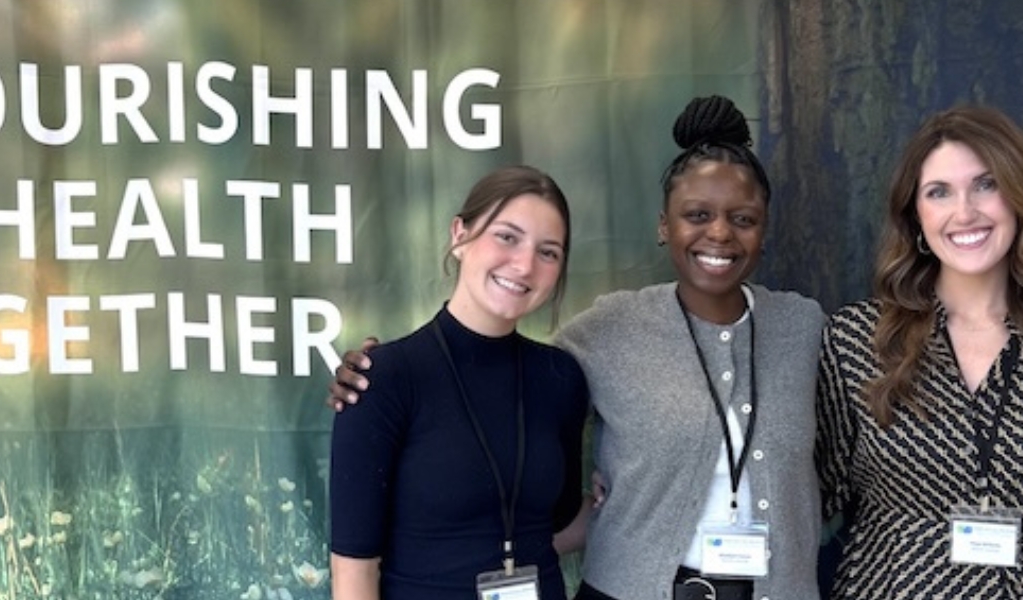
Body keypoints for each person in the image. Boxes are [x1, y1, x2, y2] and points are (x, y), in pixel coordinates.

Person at [331, 96, 826, 600]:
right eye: (697, 214)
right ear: (664, 226)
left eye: (743, 219)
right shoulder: (608, 330)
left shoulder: (806, 327)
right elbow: (484, 365)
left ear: (765, 229)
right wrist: (370, 372)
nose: (719, 232)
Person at [815, 106, 1023, 598]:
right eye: (939, 192)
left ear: (1020, 197)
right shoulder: (857, 339)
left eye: (986, 185)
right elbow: (806, 501)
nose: (964, 211)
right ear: (915, 215)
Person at [328, 165, 590, 600]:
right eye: (507, 236)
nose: (524, 265)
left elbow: (559, 524)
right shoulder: (384, 378)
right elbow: (354, 571)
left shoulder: (561, 378)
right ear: (460, 236)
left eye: (549, 252)